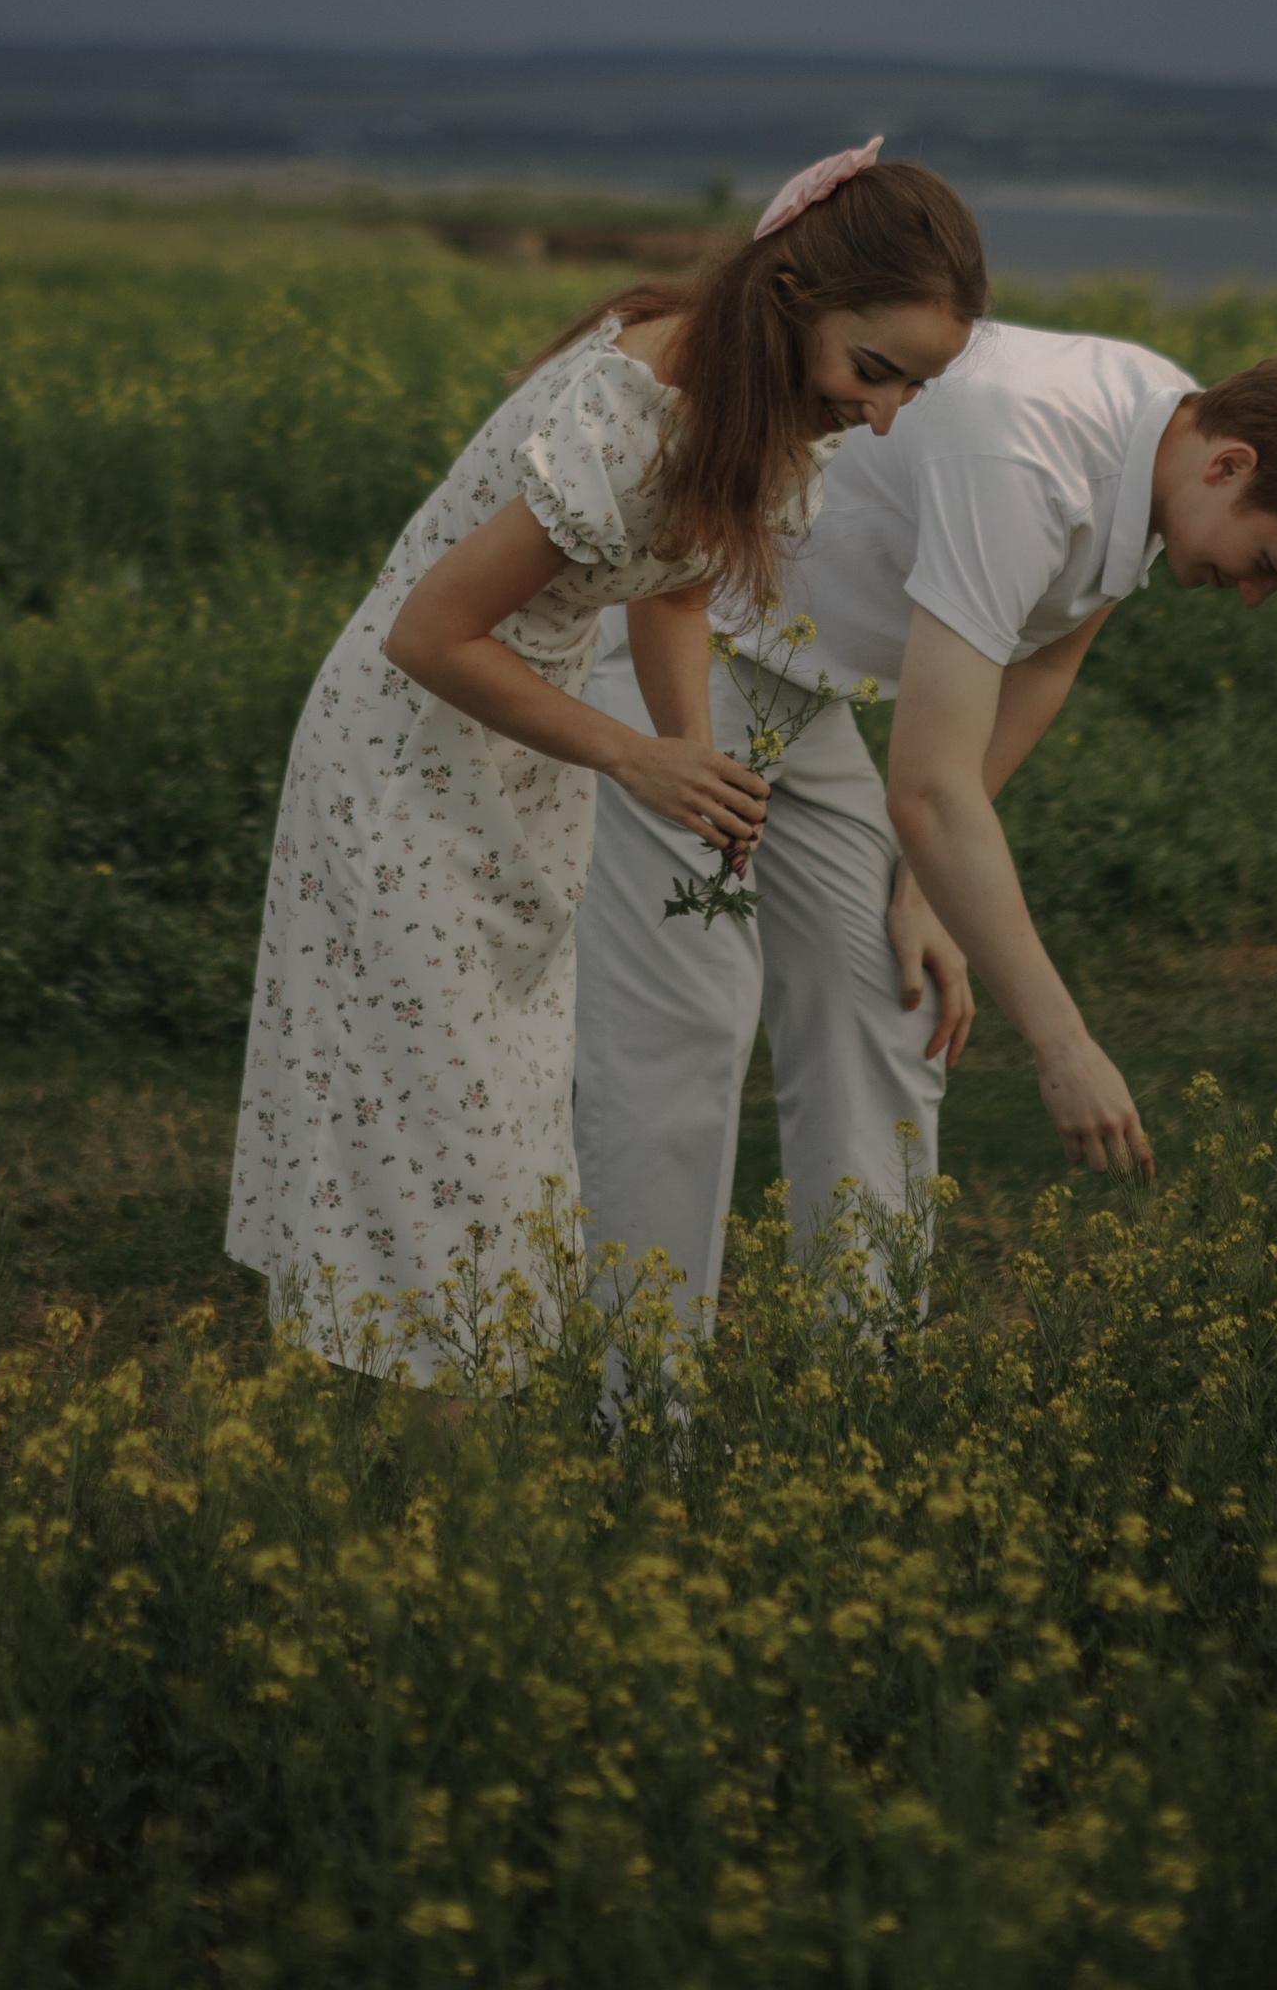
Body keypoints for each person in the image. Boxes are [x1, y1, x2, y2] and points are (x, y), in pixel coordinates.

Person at [226, 146, 988, 1372]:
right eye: (875, 371)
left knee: (509, 1110)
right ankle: (451, 1472)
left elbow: (676, 593)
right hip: (406, 761)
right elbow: (429, 632)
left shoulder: (762, 403)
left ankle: (465, 1450)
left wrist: (691, 759)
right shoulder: (631, 412)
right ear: (793, 297)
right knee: (435, 1124)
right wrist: (635, 760)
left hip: (526, 757)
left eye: (911, 389)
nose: (882, 413)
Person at [574, 327, 1277, 1317]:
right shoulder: (1030, 456)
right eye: (1268, 561)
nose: (1252, 593)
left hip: (802, 687)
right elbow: (928, 794)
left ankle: (854, 1380)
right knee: (685, 1032)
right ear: (1231, 466)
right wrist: (1063, 1047)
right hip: (674, 656)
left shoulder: (1167, 435)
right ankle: (635, 1412)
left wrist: (928, 892)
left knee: (899, 1001)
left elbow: (1045, 660)